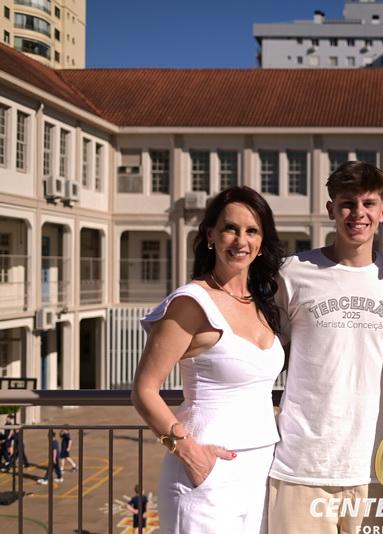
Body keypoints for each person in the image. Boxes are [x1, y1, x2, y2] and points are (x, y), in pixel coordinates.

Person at [132, 185, 285, 533]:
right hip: (206, 470)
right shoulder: (191, 302)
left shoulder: (264, 305)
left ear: (262, 242)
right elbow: (144, 390)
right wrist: (188, 452)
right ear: (211, 235)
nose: (241, 240)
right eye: (230, 228)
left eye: (252, 231)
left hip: (262, 468)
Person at [268, 161, 383, 533]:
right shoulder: (292, 273)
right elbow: (264, 355)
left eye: (368, 203)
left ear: (382, 211)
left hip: (377, 466)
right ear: (331, 209)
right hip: (303, 466)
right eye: (347, 203)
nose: (358, 213)